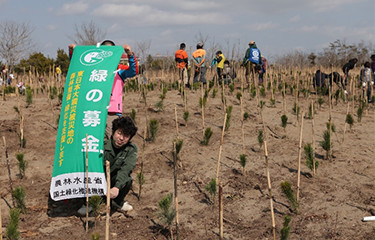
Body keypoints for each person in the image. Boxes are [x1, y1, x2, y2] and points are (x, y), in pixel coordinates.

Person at [69, 40, 138, 139]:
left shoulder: (119, 70)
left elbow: (133, 71)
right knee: (93, 139)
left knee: (110, 140)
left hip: (112, 112)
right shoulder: (93, 69)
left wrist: (130, 54)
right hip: (94, 110)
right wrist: (72, 53)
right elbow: (78, 67)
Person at [78, 116, 138, 215]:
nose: (121, 138)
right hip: (97, 177)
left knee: (127, 180)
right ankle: (89, 202)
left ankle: (118, 201)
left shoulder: (131, 149)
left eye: (126, 136)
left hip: (113, 179)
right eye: (119, 133)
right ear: (114, 132)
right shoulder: (101, 145)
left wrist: (117, 187)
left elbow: (126, 168)